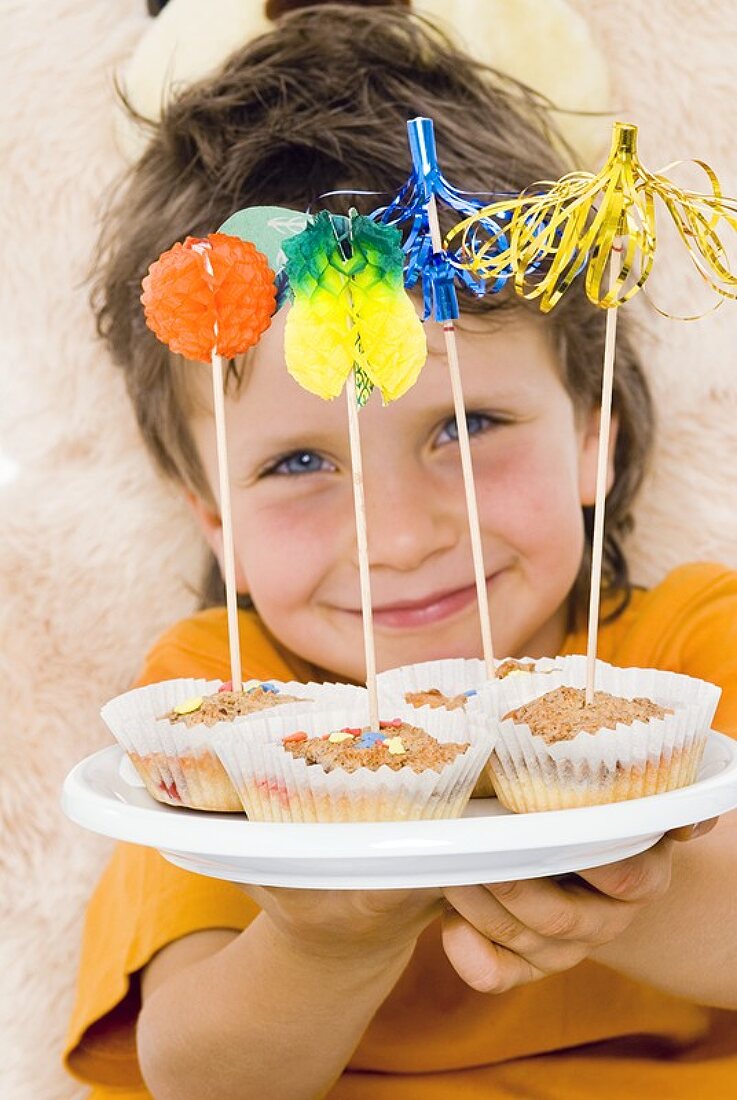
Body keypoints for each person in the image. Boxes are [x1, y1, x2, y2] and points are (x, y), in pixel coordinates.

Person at [63, 4, 737, 1098]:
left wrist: (601, 876)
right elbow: (193, 1074)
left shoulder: (690, 651)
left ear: (590, 440)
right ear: (212, 519)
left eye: (464, 427)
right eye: (295, 464)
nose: (401, 533)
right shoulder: (216, 707)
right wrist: (326, 942)